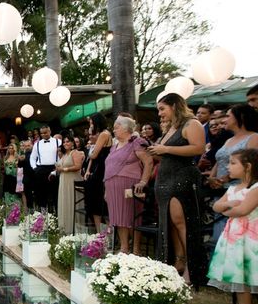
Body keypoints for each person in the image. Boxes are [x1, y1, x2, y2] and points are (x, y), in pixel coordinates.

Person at [148, 93, 206, 286]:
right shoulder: (170, 128)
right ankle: (178, 262)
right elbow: (164, 155)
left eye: (162, 109)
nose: (160, 114)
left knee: (182, 222)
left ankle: (191, 267)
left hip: (182, 177)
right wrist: (155, 151)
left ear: (174, 106)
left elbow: (198, 149)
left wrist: (166, 150)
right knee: (170, 222)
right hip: (164, 178)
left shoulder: (192, 124)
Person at [209, 149, 258, 304]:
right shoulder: (232, 188)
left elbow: (243, 210)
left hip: (252, 239)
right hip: (236, 239)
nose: (228, 166)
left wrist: (227, 210)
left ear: (248, 167)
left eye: (232, 163)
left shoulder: (255, 188)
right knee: (241, 274)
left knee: (255, 272)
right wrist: (227, 204)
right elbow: (216, 206)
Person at [207, 104, 258, 240]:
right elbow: (220, 160)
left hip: (241, 191)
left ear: (240, 117)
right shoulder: (229, 139)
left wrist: (225, 179)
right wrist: (212, 177)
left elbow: (251, 164)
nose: (224, 120)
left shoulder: (254, 138)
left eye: (228, 116)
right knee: (220, 232)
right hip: (220, 191)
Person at [104, 116, 154, 254]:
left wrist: (143, 182)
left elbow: (148, 162)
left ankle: (136, 249)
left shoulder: (137, 142)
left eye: (116, 127)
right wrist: (106, 190)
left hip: (131, 185)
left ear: (126, 128)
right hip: (112, 185)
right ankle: (124, 248)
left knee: (133, 217)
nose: (114, 130)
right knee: (118, 217)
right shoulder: (114, 146)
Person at [84, 114, 112, 232]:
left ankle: (108, 233)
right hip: (96, 169)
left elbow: (94, 154)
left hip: (102, 169)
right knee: (95, 204)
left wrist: (90, 150)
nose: (90, 126)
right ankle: (99, 232)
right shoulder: (99, 135)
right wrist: (88, 170)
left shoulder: (104, 134)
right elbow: (92, 157)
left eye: (91, 123)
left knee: (101, 204)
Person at [55, 136, 85, 235]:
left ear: (72, 143)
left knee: (71, 202)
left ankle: (73, 229)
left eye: (68, 141)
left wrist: (64, 169)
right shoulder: (64, 154)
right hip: (63, 181)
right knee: (64, 202)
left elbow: (78, 166)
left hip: (72, 181)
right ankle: (64, 229)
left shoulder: (75, 153)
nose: (65, 143)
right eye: (64, 142)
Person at [30, 124, 61, 213]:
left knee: (55, 193)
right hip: (41, 170)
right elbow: (32, 157)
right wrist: (35, 168)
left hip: (54, 169)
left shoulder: (58, 142)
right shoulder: (37, 144)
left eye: (46, 132)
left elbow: (62, 155)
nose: (44, 135)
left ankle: (56, 214)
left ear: (50, 131)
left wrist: (58, 168)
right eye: (42, 133)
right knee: (41, 194)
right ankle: (42, 215)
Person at [17, 139, 35, 210]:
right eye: (25, 146)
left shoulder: (36, 154)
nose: (27, 147)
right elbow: (20, 166)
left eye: (28, 145)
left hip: (36, 178)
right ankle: (31, 213)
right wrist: (20, 160)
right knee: (28, 196)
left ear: (32, 145)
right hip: (27, 179)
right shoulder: (23, 155)